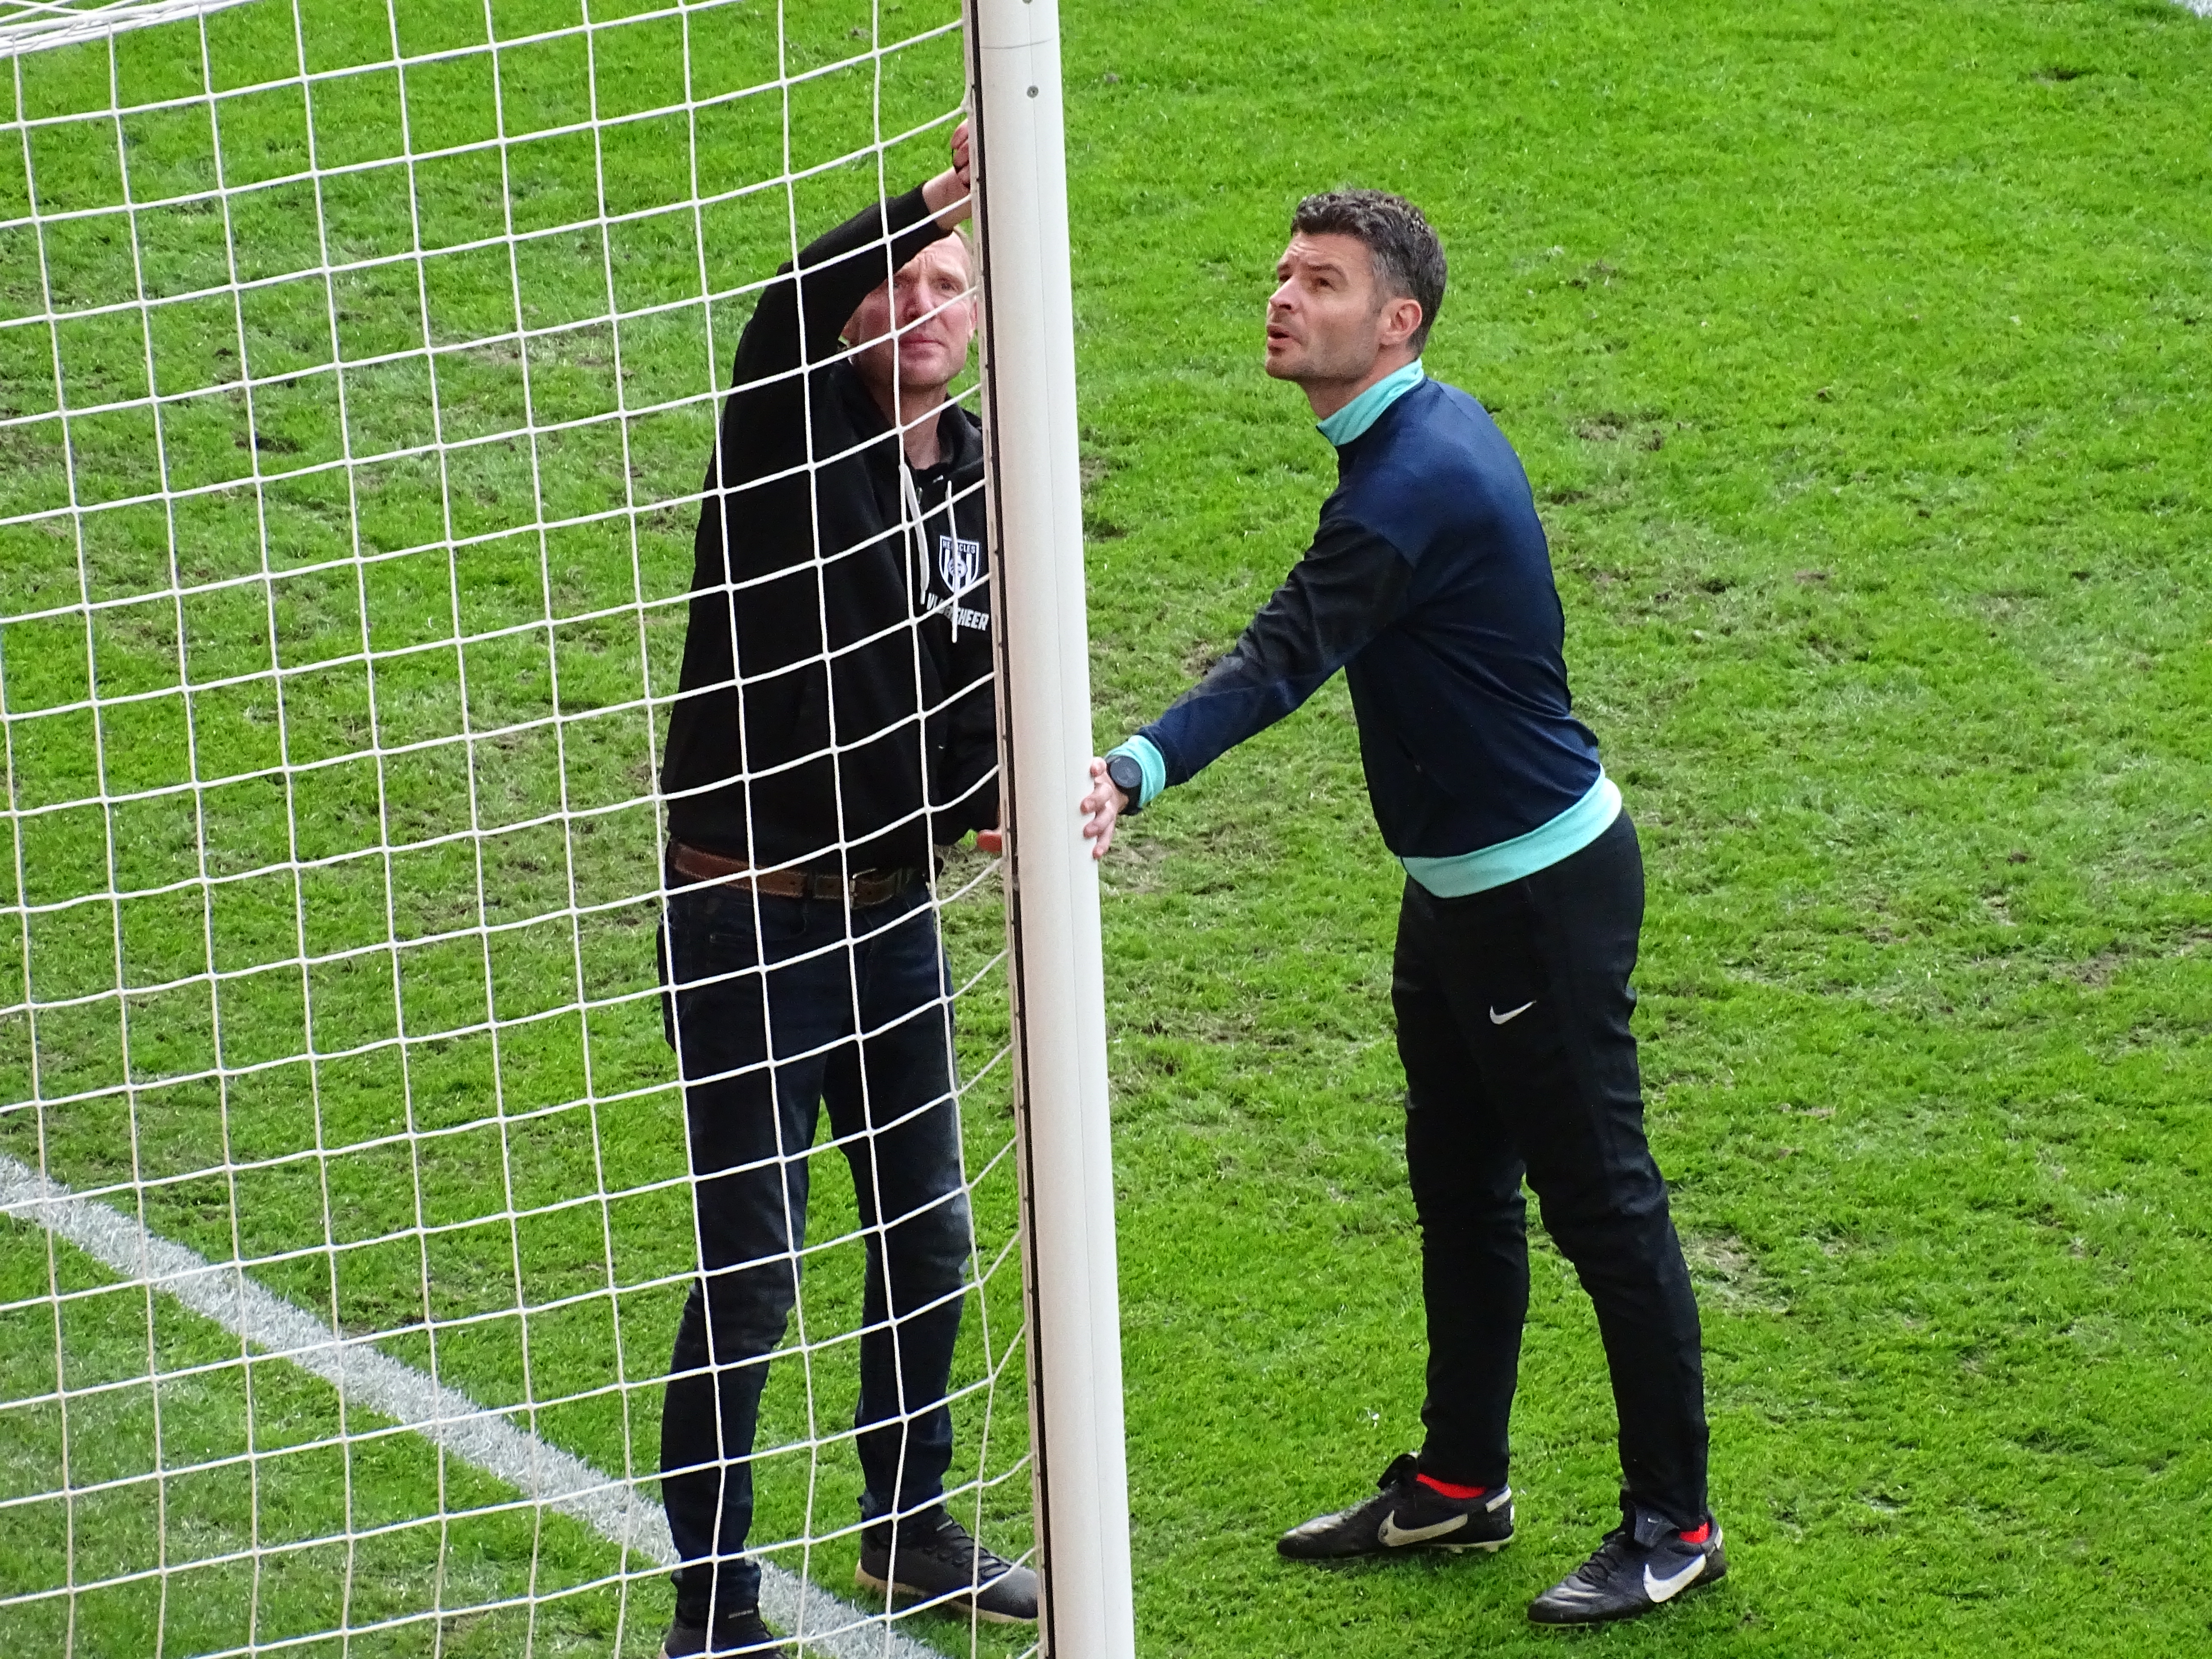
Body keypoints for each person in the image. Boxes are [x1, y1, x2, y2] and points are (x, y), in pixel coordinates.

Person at [1078, 189, 1723, 1627]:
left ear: (1399, 320)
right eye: (1282, 273)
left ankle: (1676, 1523)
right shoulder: (1417, 440)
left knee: (1604, 1211)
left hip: (1535, 901)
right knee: (1460, 1192)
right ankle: (1457, 1483)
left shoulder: (1403, 488)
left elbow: (1285, 655)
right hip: (1460, 900)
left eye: (1322, 281)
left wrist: (1135, 766)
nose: (1282, 297)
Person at [655, 122, 1033, 1658]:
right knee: (753, 1274)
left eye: (957, 283)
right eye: (904, 283)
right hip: (752, 915)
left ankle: (909, 1530)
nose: (932, 305)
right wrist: (923, 202)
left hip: (890, 917)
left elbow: (958, 676)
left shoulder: (980, 474)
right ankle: (716, 1611)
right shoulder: (786, 439)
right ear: (857, 312)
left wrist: (995, 793)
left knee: (930, 1236)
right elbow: (782, 305)